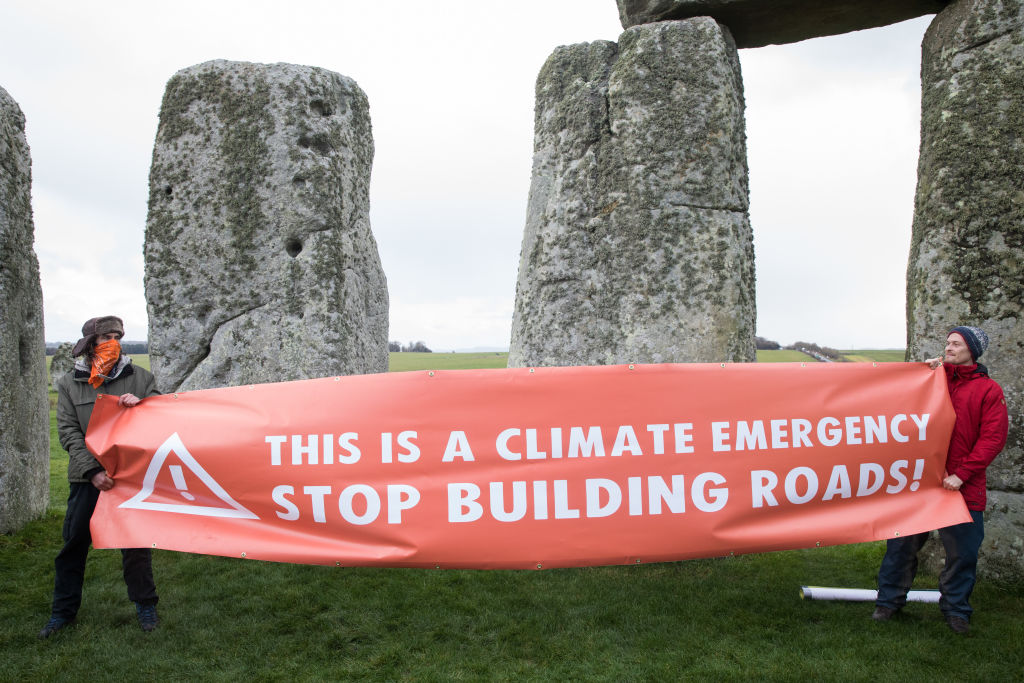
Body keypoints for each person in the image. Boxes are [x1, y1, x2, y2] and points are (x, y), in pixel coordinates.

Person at [872, 325, 1008, 634]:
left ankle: (956, 610)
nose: (949, 347)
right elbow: (895, 400)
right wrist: (921, 374)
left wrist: (962, 474)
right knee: (901, 544)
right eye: (947, 343)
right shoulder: (934, 379)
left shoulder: (989, 391)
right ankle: (888, 602)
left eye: (956, 344)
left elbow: (992, 439)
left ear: (972, 350)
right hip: (920, 480)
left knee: (963, 553)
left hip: (962, 485)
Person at [39, 316, 162, 639]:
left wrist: (142, 406)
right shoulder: (69, 384)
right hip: (86, 479)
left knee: (135, 545)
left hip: (128, 477)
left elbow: (162, 417)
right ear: (90, 342)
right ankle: (62, 612)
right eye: (106, 336)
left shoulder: (140, 377)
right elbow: (67, 431)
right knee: (74, 543)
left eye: (117, 336)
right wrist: (92, 471)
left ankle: (145, 605)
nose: (113, 341)